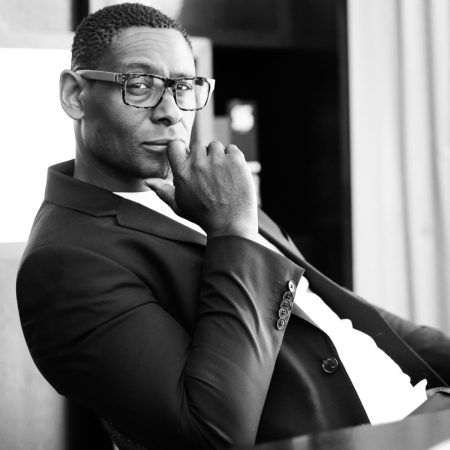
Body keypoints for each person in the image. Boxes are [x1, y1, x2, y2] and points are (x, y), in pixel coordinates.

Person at [16, 3, 450, 450]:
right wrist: (233, 234)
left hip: (426, 405)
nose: (171, 112)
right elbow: (211, 435)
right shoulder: (65, 262)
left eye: (183, 86)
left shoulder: (209, 187)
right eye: (140, 85)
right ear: (74, 94)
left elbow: (333, 312)